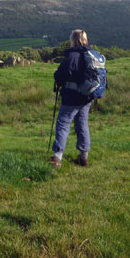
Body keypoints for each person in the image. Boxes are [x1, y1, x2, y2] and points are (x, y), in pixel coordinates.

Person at [49, 29, 93, 168]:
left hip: (71, 97)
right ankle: (83, 157)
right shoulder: (91, 55)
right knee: (82, 125)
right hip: (86, 97)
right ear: (85, 40)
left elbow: (60, 75)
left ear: (74, 40)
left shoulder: (72, 56)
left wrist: (58, 78)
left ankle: (57, 157)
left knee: (63, 123)